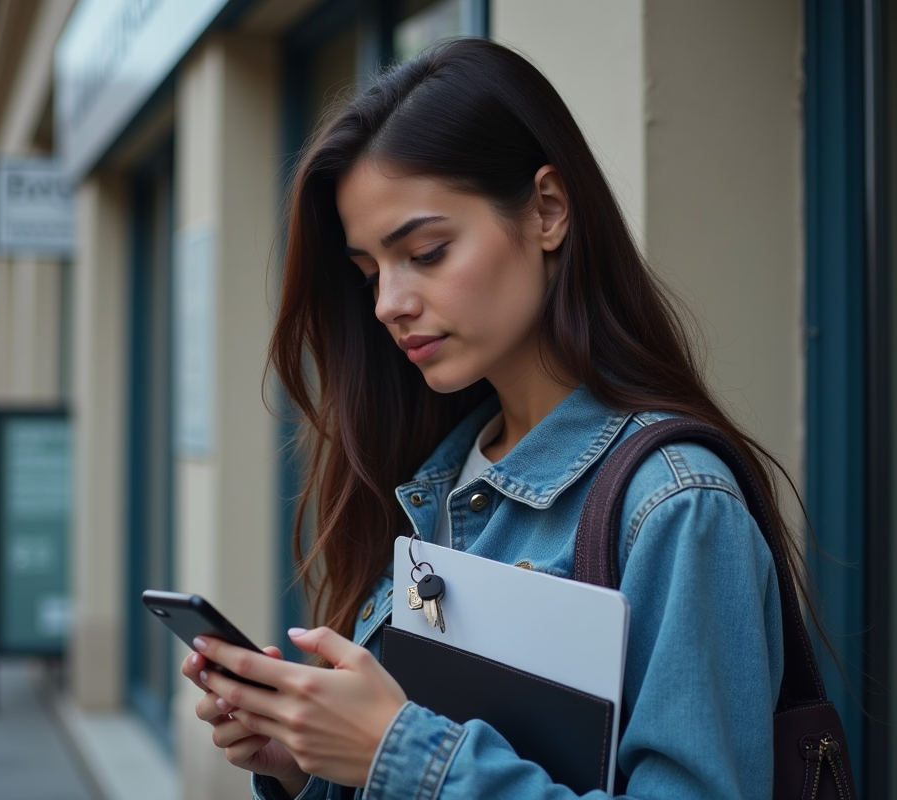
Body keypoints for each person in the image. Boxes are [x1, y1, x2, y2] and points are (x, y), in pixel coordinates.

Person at [181, 39, 816, 799]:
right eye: (369, 273)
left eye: (427, 250)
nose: (388, 303)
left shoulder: (675, 506)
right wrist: (310, 761)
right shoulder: (438, 480)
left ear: (548, 211)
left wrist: (399, 753)